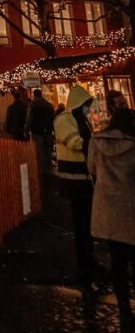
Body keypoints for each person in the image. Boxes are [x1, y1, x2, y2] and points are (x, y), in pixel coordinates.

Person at [88, 107, 135, 331]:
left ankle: (124, 306)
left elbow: (91, 168)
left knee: (117, 261)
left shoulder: (97, 141)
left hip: (108, 207)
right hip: (130, 207)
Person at [54, 84, 100, 286]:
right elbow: (74, 143)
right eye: (86, 104)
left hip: (86, 177)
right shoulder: (64, 120)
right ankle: (84, 263)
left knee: (88, 222)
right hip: (73, 178)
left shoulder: (82, 120)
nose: (88, 108)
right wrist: (95, 144)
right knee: (81, 222)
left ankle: (89, 260)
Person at [25, 89, 55, 173]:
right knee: (48, 150)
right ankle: (49, 168)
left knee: (39, 152)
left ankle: (42, 170)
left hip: (37, 132)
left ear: (34, 95)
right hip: (48, 132)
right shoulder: (49, 105)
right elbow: (53, 118)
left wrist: (26, 130)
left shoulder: (32, 106)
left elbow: (29, 120)